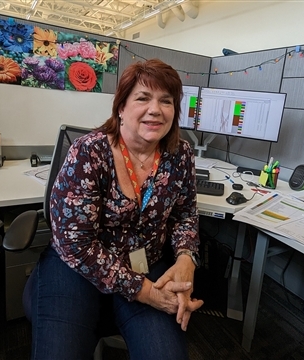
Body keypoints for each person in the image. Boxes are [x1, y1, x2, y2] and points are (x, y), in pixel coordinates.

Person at [28, 59, 203, 359]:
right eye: (143, 98)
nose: (155, 109)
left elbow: (185, 213)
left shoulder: (179, 154)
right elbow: (77, 245)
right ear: (121, 107)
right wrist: (148, 293)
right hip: (78, 269)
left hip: (144, 263)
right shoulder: (88, 152)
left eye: (166, 101)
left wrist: (187, 259)